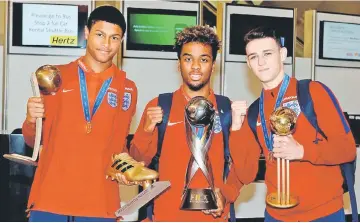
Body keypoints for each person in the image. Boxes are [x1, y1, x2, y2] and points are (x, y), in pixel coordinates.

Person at [228, 26, 357, 221]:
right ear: (248, 63)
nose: (261, 62)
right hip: (276, 216)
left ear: (282, 54)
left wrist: (302, 151)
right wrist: (236, 129)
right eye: (253, 57)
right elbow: (246, 175)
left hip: (323, 214)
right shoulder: (255, 112)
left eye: (267, 54)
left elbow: (347, 149)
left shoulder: (313, 92)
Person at [23, 5, 139, 221]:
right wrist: (31, 119)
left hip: (100, 206)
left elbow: (118, 148)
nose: (106, 44)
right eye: (100, 35)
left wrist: (127, 170)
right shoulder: (55, 77)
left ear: (121, 41)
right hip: (50, 201)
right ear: (86, 33)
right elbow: (32, 140)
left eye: (114, 38)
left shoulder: (128, 88)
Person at [125, 25, 246, 222]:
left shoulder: (226, 110)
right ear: (178, 64)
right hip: (166, 217)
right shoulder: (160, 106)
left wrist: (226, 193)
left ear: (213, 65)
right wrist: (147, 130)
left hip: (214, 217)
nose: (196, 66)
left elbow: (241, 169)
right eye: (188, 59)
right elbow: (138, 164)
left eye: (204, 59)